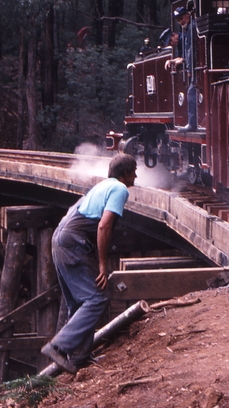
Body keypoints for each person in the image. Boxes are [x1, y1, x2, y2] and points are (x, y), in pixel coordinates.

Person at [41, 154, 138, 372]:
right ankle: (59, 346)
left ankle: (79, 357)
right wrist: (102, 264)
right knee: (97, 297)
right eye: (134, 170)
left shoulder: (100, 186)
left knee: (78, 302)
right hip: (73, 241)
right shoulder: (120, 189)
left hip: (60, 238)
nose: (137, 175)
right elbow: (104, 226)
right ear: (124, 173)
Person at [165, 6, 200, 132]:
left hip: (195, 68)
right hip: (193, 66)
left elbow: (191, 51)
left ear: (188, 15)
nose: (181, 22)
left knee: (191, 92)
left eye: (181, 18)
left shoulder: (191, 28)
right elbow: (187, 52)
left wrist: (189, 68)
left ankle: (192, 124)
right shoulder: (187, 29)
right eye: (178, 20)